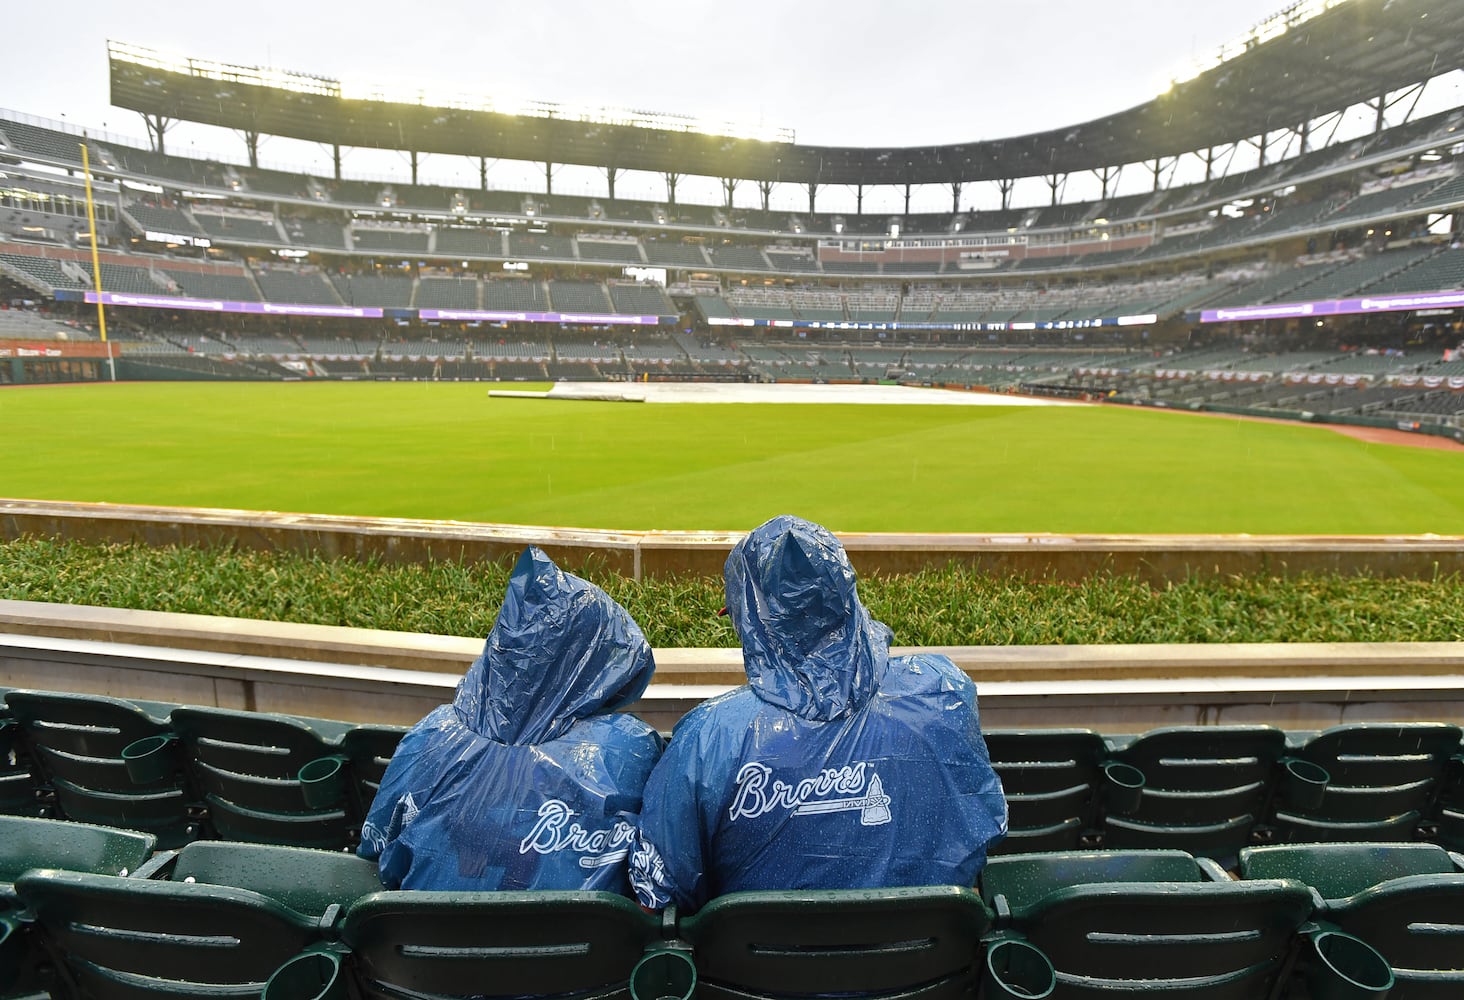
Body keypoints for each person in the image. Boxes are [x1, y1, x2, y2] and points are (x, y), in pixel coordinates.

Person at [630, 515, 1007, 912]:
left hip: (756, 971)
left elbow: (658, 902)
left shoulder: (709, 737)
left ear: (751, 622)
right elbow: (980, 835)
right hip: (930, 964)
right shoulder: (941, 690)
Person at [359, 545, 662, 895]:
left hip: (429, 944)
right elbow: (658, 879)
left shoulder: (434, 735)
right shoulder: (628, 747)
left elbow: (376, 852)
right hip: (575, 947)